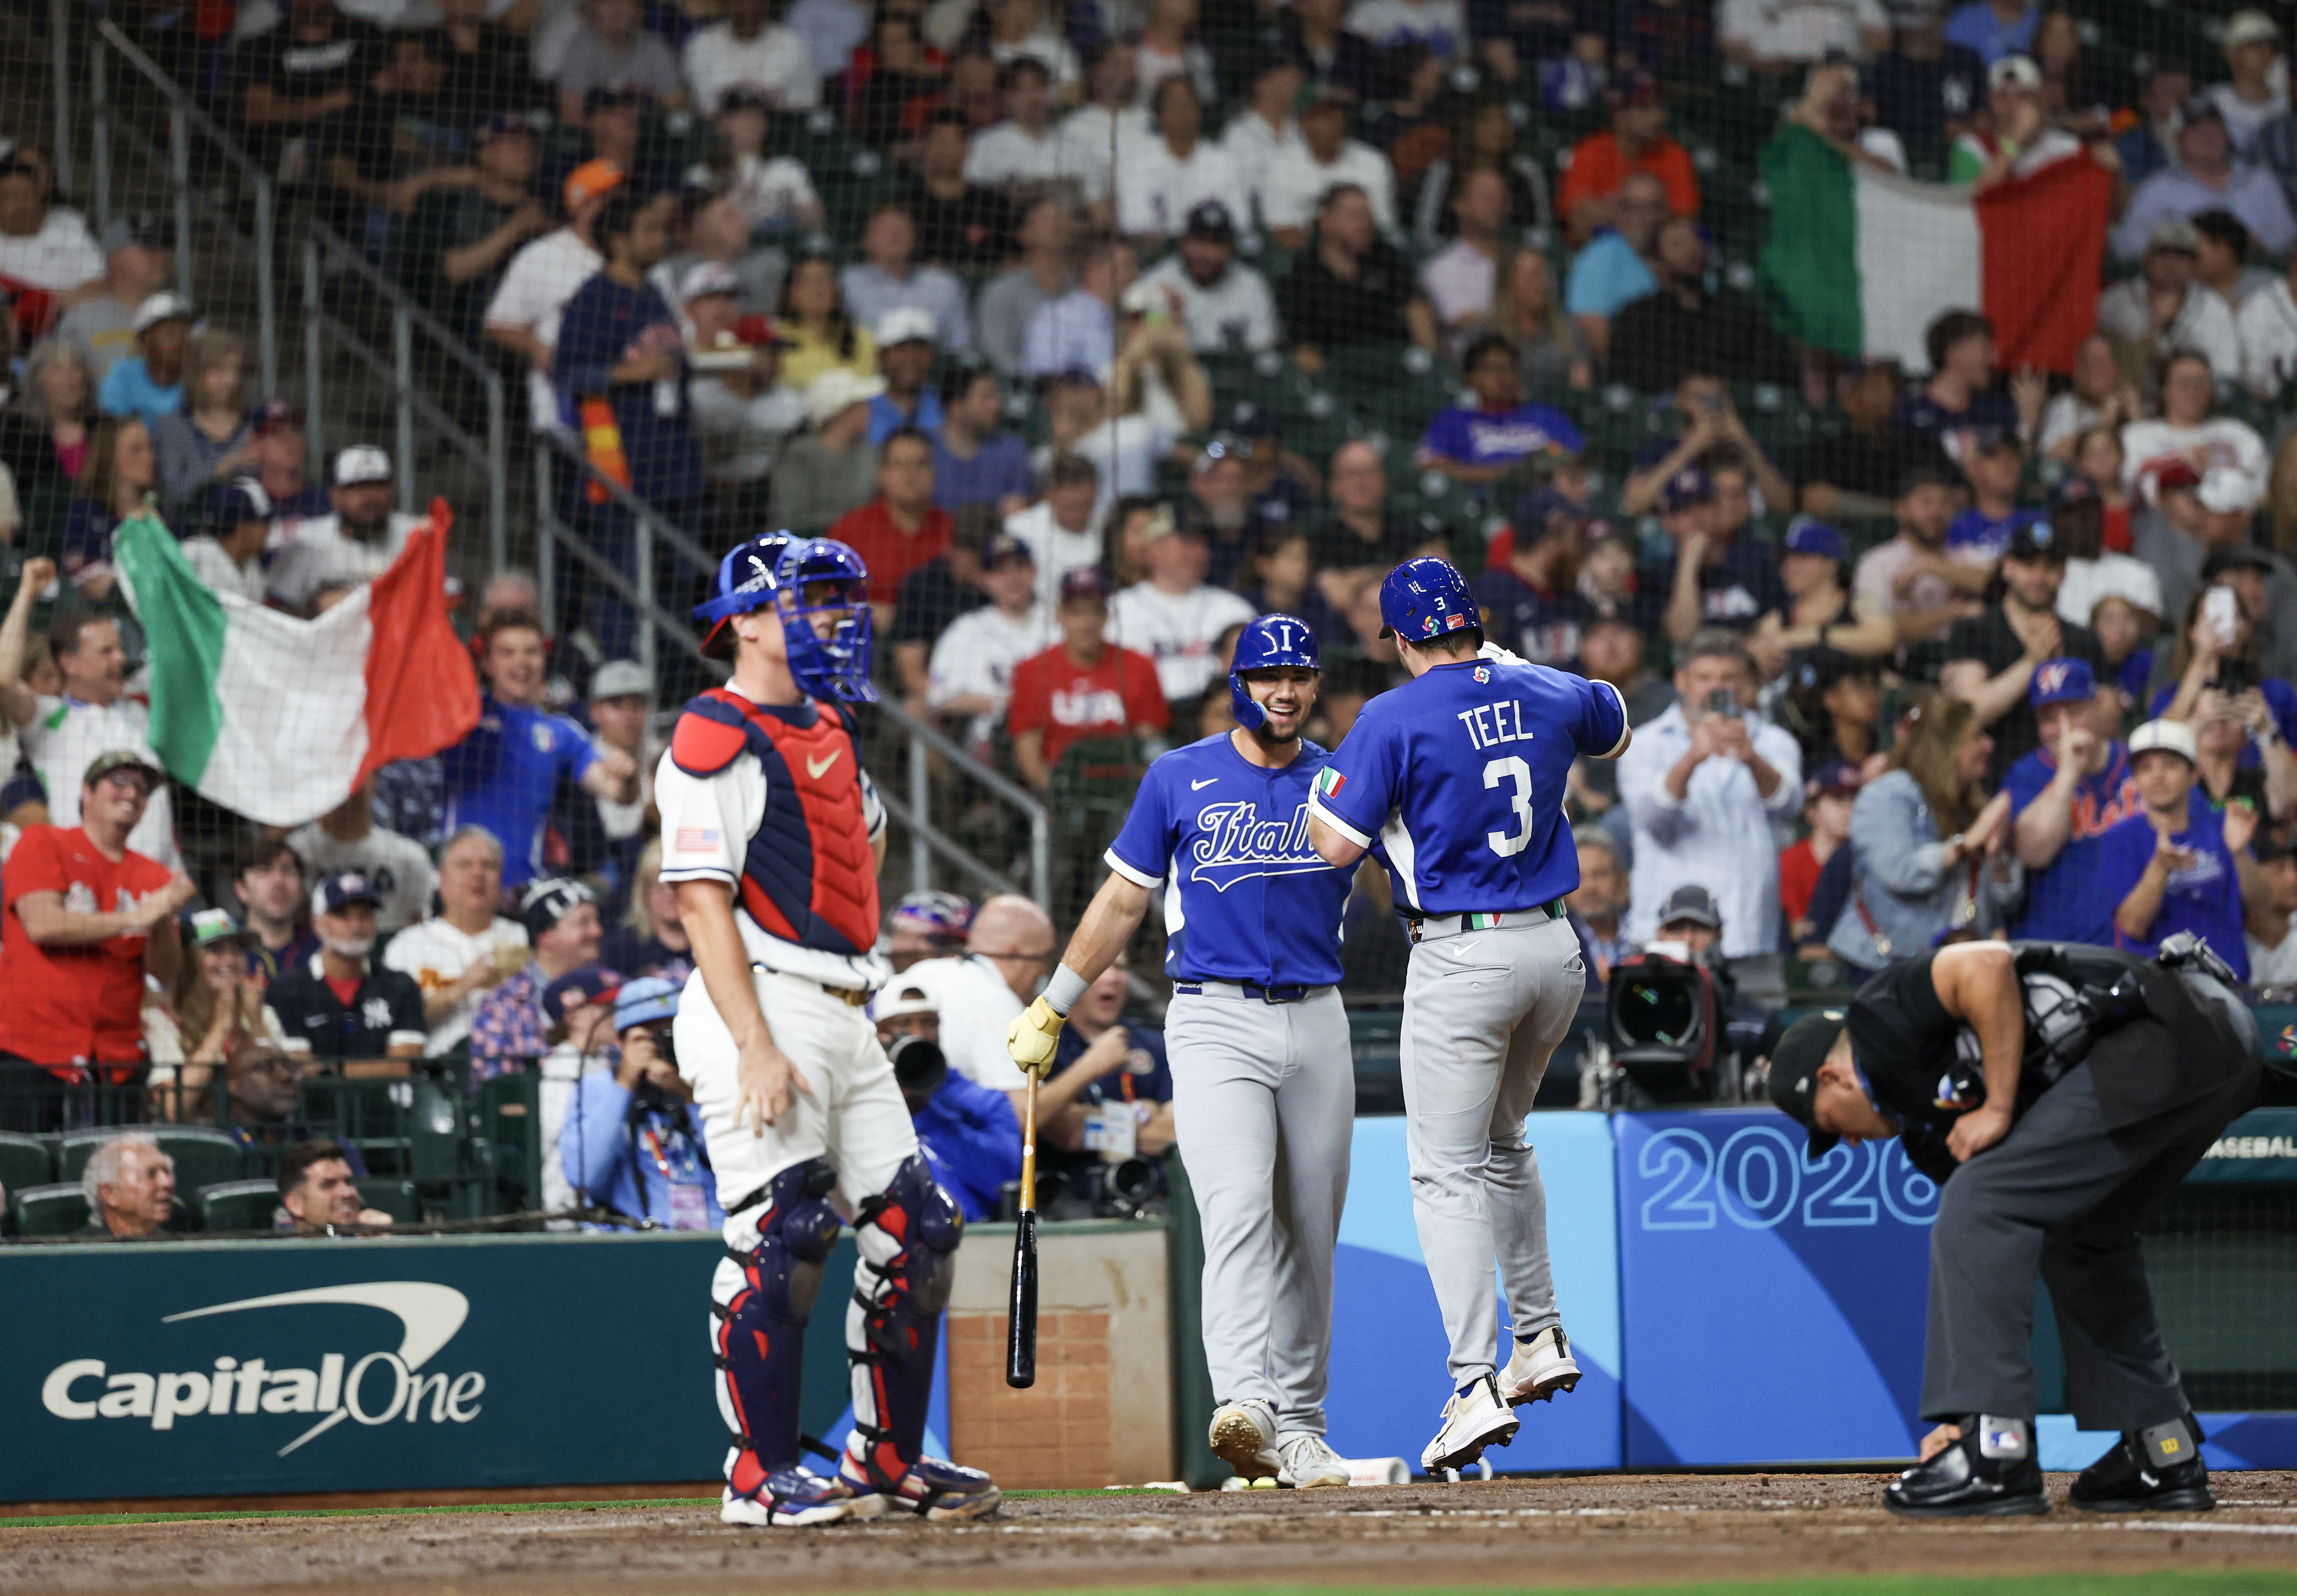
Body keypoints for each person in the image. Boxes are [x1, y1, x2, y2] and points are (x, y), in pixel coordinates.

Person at [657, 533, 998, 1526]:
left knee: (919, 1230)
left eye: (842, 600)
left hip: (847, 1008)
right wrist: (755, 1042)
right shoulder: (712, 729)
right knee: (785, 1232)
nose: (839, 618)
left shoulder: (833, 732)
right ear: (749, 619)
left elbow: (851, 873)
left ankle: (882, 1462)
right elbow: (699, 902)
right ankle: (755, 1478)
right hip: (761, 1004)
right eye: (813, 599)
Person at [1011, 615, 1357, 1487]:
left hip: (1319, 1014)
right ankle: (1246, 1400)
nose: (1285, 689)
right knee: (1237, 1206)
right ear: (1240, 681)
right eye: (1269, 674)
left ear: (1316, 683)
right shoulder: (1181, 774)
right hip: (1214, 1017)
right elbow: (1124, 901)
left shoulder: (1344, 779)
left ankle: (1305, 1425)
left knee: (1312, 1232)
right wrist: (1054, 1003)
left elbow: (1408, 875)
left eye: (1300, 674)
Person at [1305, 556, 1630, 1473]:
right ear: (1474, 623)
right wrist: (1516, 678)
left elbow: (1334, 846)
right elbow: (1615, 722)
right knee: (1504, 1144)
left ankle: (1472, 1383)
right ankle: (1542, 1336)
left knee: (1444, 1173)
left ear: (1404, 638)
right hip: (1558, 952)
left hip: (1464, 952)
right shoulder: (1546, 683)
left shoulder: (1391, 714)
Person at [1767, 935, 2257, 1515]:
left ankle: (1997, 1452)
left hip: (2173, 1023)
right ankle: (2163, 1448)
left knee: (1981, 1203)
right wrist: (1959, 1416)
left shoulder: (1880, 1019)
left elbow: (1986, 963)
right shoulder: (1927, 1139)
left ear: (1834, 1077)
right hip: (2217, 1045)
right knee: (2082, 1237)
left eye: (1829, 1125)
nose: (1847, 1141)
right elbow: (1992, 1259)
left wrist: (1998, 1105)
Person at [1615, 631, 1802, 998]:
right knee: (1665, 1046)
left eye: (1728, 678)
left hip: (1750, 932)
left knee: (1757, 1043)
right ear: (1681, 681)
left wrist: (1751, 757)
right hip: (1667, 936)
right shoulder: (1644, 742)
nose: (1716, 688)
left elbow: (1791, 806)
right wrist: (1693, 757)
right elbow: (1651, 819)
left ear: (1747, 684)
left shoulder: (1774, 742)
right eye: (1705, 678)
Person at [0, 751, 190, 1098]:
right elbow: (42, 925)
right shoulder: (43, 842)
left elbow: (165, 972)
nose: (133, 794)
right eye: (119, 782)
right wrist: (135, 918)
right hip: (29, 1051)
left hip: (115, 1062)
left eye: (142, 789)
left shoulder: (155, 875)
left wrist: (162, 916)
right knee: (24, 1154)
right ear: (86, 792)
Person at [441, 607, 638, 890]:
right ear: (487, 663)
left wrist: (627, 776)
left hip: (526, 890)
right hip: (458, 886)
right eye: (508, 653)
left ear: (544, 660)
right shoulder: (462, 715)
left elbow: (617, 792)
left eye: (531, 652)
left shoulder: (562, 732)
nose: (521, 662)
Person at [1827, 697, 2020, 975]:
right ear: (1946, 746)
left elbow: (2007, 900)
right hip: (1880, 967)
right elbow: (1901, 872)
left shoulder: (1972, 805)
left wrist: (1996, 856)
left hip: (1949, 966)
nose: (1989, 745)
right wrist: (1966, 844)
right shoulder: (1887, 794)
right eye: (1976, 737)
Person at [0, 612, 179, 868]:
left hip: (162, 883)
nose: (121, 658)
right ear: (70, 664)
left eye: (120, 648)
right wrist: (27, 593)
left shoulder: (144, 712)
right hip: (90, 886)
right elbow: (4, 680)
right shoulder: (49, 719)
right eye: (107, 651)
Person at [2097, 719, 2266, 979]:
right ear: (2135, 779)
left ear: (2194, 773)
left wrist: (2240, 853)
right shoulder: (2121, 838)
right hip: (2157, 989)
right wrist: (2160, 867)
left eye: (2170, 765)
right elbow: (2132, 926)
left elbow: (2261, 905)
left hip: (2228, 984)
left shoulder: (2221, 825)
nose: (2158, 777)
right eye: (2145, 768)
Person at [1940, 522, 2106, 781]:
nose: (2039, 578)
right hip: (1992, 780)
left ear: (2063, 573)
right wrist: (2033, 663)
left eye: (2050, 567)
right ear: (2008, 567)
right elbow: (1969, 714)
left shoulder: (2084, 641)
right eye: (2029, 565)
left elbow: (2106, 722)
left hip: (2073, 782)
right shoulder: (1975, 631)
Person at [561, 977, 725, 1229]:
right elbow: (585, 1178)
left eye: (667, 1034)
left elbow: (735, 1162)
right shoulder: (597, 1088)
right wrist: (625, 1083)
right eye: (646, 1037)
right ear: (621, 1043)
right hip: (635, 1241)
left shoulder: (709, 1081)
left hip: (712, 1235)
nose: (659, 1046)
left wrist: (687, 1096)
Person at [2005, 658, 2142, 945]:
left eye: (2073, 711)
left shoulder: (2139, 764)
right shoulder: (2027, 774)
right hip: (2059, 953)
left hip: (2136, 945)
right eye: (2048, 718)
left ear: (2097, 706)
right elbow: (2033, 853)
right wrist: (2068, 772)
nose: (2063, 728)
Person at [1009, 567, 1171, 790]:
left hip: (1124, 788)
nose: (1086, 624)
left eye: (1094, 612)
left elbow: (1150, 744)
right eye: (1076, 613)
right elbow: (1029, 753)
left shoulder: (1139, 666)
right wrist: (1055, 799)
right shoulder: (1032, 671)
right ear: (1059, 615)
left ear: (1107, 615)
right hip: (1061, 789)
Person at [874, 979, 1020, 1222]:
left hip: (968, 1240)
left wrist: (924, 1112)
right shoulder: (857, 1100)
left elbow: (1003, 1180)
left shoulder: (982, 1101)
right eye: (903, 1025)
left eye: (929, 1022)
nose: (918, 1034)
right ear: (879, 1034)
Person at [383, 825, 530, 1057]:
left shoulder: (520, 937)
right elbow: (392, 1025)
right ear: (441, 878)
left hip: (509, 1072)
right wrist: (463, 987)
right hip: (433, 1074)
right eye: (465, 865)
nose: (478, 874)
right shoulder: (408, 945)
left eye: (488, 866)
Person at [1607, 217, 1793, 394]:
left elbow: (1771, 371)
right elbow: (1631, 381)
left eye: (1695, 242)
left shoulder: (1739, 316)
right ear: (1656, 262)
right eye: (1677, 245)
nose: (1692, 251)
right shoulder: (1637, 320)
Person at [266, 872, 428, 1062]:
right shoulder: (288, 989)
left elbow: (403, 1066)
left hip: (382, 1093)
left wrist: (330, 1072)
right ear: (317, 923)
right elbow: (297, 1068)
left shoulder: (400, 986)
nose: (356, 926)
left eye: (365, 915)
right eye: (343, 916)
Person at [146, 908, 289, 1122]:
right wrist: (220, 1028)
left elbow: (283, 1094)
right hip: (196, 1144)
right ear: (187, 958)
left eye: (237, 951)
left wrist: (257, 1023)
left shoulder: (264, 1014)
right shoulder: (162, 1019)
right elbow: (173, 1108)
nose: (230, 961)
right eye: (215, 950)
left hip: (255, 1140)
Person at [1277, 185, 1440, 368]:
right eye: (1355, 217)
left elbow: (1415, 309)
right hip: (1338, 375)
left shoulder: (1386, 258)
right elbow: (1305, 352)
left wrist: (1432, 363)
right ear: (1326, 222)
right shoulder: (1303, 276)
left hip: (1393, 368)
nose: (1366, 225)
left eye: (1369, 217)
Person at [2113, 98, 2295, 262]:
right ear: (2178, 140)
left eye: (2215, 127)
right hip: (2186, 284)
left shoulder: (2259, 181)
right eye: (2196, 128)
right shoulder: (2159, 188)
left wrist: (2254, 245)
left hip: (2254, 280)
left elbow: (2289, 240)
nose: (2208, 135)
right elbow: (2126, 247)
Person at [1108, 519, 1257, 705]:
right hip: (1148, 717)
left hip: (1220, 719)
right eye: (1188, 543)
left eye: (1203, 544)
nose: (1198, 553)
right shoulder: (1119, 608)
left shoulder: (1234, 609)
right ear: (1154, 549)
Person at [925, 533, 1052, 749]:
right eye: (1000, 571)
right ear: (984, 580)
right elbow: (939, 699)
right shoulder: (965, 630)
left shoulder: (1059, 623)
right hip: (988, 740)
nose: (1012, 578)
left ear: (1034, 572)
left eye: (1020, 567)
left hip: (1055, 732)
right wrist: (1004, 704)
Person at [471, 877, 607, 1077]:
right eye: (583, 923)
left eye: (597, 921)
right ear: (546, 936)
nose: (597, 931)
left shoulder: (613, 987)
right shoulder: (503, 1005)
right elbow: (493, 1086)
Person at [265, 445, 426, 613]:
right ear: (336, 496)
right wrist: (315, 607)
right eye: (358, 488)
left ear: (393, 491)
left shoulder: (417, 534)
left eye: (379, 486)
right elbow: (276, 610)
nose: (371, 497)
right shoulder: (308, 539)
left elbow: (447, 599)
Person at [1413, 334, 1585, 487]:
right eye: (1492, 370)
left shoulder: (1545, 415)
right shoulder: (1452, 421)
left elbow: (1580, 457)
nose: (1503, 377)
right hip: (1485, 505)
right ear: (1469, 377)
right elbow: (1430, 466)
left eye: (1509, 368)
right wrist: (1507, 473)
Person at [1797, 360, 1957, 521]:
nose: (1885, 394)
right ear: (1849, 398)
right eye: (1874, 387)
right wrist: (1897, 511)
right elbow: (1813, 499)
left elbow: (1961, 494)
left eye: (1889, 387)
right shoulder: (1830, 449)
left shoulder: (1919, 443)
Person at [1556, 71, 1699, 244]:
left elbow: (1683, 222)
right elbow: (1579, 218)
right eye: (1645, 108)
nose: (1658, 118)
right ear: (1619, 115)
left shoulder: (1675, 155)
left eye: (1659, 107)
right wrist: (1647, 215)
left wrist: (1614, 214)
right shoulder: (1591, 151)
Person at [2097, 216, 2242, 387]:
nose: (2171, 265)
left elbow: (2226, 376)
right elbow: (2109, 372)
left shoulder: (2214, 308)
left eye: (2181, 255)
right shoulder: (2115, 303)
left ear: (2195, 264)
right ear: (2147, 260)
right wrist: (2156, 325)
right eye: (2163, 253)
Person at [286, 776, 435, 935]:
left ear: (376, 779)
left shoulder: (411, 857)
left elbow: (419, 927)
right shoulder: (293, 853)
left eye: (360, 773)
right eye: (344, 775)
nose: (351, 785)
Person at [827, 427, 954, 609]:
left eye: (920, 464)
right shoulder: (849, 529)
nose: (910, 475)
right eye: (899, 465)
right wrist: (867, 612)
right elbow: (824, 598)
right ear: (881, 474)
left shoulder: (952, 529)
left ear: (935, 472)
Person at [1137, 201, 1281, 355]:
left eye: (1216, 244)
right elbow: (1148, 350)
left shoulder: (1252, 285)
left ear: (1231, 248)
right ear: (1182, 242)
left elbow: (1263, 350)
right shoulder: (1156, 283)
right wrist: (1171, 321)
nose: (1205, 253)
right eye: (1199, 241)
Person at [1258, 92, 1398, 248]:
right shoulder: (1281, 166)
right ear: (1304, 124)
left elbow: (1383, 225)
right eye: (1324, 117)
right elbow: (1281, 229)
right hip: (1303, 256)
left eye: (1337, 115)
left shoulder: (1374, 162)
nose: (1334, 123)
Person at [1120, 77, 1247, 243]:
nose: (1182, 112)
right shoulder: (1137, 162)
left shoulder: (1223, 161)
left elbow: (1240, 221)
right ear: (1159, 114)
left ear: (1200, 111)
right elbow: (1135, 225)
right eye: (1174, 105)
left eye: (1189, 104)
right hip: (1157, 254)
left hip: (1214, 250)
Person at [1563, 171, 1666, 366]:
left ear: (1665, 212)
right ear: (1620, 212)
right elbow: (1590, 325)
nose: (1642, 217)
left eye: (1651, 208)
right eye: (1633, 208)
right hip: (1627, 370)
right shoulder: (1598, 256)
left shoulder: (1684, 257)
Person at [54, 215, 170, 386]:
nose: (160, 256)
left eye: (163, 247)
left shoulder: (180, 316)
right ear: (114, 258)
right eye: (148, 248)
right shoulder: (82, 320)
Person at [842, 211, 973, 359]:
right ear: (865, 240)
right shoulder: (848, 284)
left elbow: (961, 346)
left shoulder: (944, 284)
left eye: (903, 228)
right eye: (887, 229)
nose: (896, 235)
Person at [771, 370, 886, 533]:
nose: (870, 411)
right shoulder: (800, 454)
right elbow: (792, 517)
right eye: (863, 405)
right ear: (841, 412)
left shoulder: (868, 452)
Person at [977, 199, 1074, 379]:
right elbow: (997, 354)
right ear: (1024, 234)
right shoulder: (1002, 291)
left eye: (1062, 218)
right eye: (1047, 220)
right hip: (1023, 390)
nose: (1058, 225)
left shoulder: (1081, 288)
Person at [683, 0, 820, 113]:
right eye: (739, 2)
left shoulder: (792, 43)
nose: (747, 7)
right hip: (719, 136)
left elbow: (806, 104)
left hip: (779, 137)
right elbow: (701, 106)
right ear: (726, 5)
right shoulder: (702, 44)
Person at [933, 365, 1033, 514]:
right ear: (956, 407)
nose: (997, 406)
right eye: (987, 398)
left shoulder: (1012, 452)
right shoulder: (923, 449)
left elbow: (1018, 514)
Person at [96, 292, 192, 427]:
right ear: (144, 341)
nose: (181, 341)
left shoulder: (197, 381)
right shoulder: (123, 374)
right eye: (170, 333)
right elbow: (111, 427)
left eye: (185, 333)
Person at [181, 477, 273, 602]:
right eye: (264, 523)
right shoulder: (192, 555)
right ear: (242, 527)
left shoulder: (252, 568)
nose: (269, 530)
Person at [276, 1137, 395, 1232]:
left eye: (349, 1182)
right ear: (295, 1204)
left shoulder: (371, 1242)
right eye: (329, 1185)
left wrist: (385, 1248)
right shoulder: (275, 1258)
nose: (348, 1193)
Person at [74, 1133, 179, 1240]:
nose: (167, 1183)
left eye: (167, 1172)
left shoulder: (181, 1250)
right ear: (110, 1193)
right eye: (151, 1174)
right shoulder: (78, 1252)